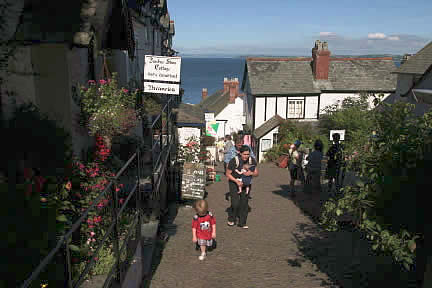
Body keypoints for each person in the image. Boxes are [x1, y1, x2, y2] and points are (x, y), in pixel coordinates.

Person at [226, 145, 258, 228]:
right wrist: (236, 181)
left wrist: (251, 173)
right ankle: (232, 219)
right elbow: (228, 174)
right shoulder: (234, 161)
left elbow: (256, 173)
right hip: (234, 182)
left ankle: (242, 222)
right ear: (240, 153)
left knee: (244, 203)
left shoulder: (252, 160)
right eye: (244, 154)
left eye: (247, 154)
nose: (246, 156)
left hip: (246, 183)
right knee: (235, 203)